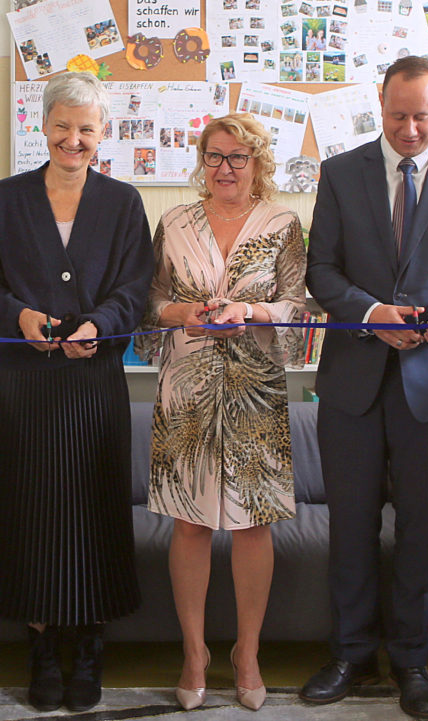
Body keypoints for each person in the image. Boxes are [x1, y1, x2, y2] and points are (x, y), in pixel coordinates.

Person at [302, 56, 428, 720]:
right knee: (351, 522)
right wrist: (369, 312)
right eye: (397, 115)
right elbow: (321, 271)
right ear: (379, 106)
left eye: (422, 115)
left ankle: (412, 659)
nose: (410, 129)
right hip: (353, 379)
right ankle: (350, 653)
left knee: (421, 525)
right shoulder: (341, 172)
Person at [0, 71, 154, 713]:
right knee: (29, 514)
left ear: (104, 134)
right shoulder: (6, 197)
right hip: (26, 385)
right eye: (63, 127)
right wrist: (19, 316)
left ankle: (90, 649)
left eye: (87, 129)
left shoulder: (123, 202)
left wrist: (99, 325)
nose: (74, 139)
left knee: (95, 512)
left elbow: (136, 290)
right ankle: (43, 649)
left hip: (94, 386)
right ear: (42, 126)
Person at [139, 113, 306, 712]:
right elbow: (150, 300)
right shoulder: (174, 222)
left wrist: (251, 312)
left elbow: (297, 304)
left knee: (252, 523)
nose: (226, 168)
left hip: (255, 389)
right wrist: (182, 313)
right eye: (215, 156)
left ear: (258, 162)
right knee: (188, 524)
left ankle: (247, 653)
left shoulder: (283, 224)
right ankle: (194, 654)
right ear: (201, 162)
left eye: (238, 157)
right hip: (186, 388)